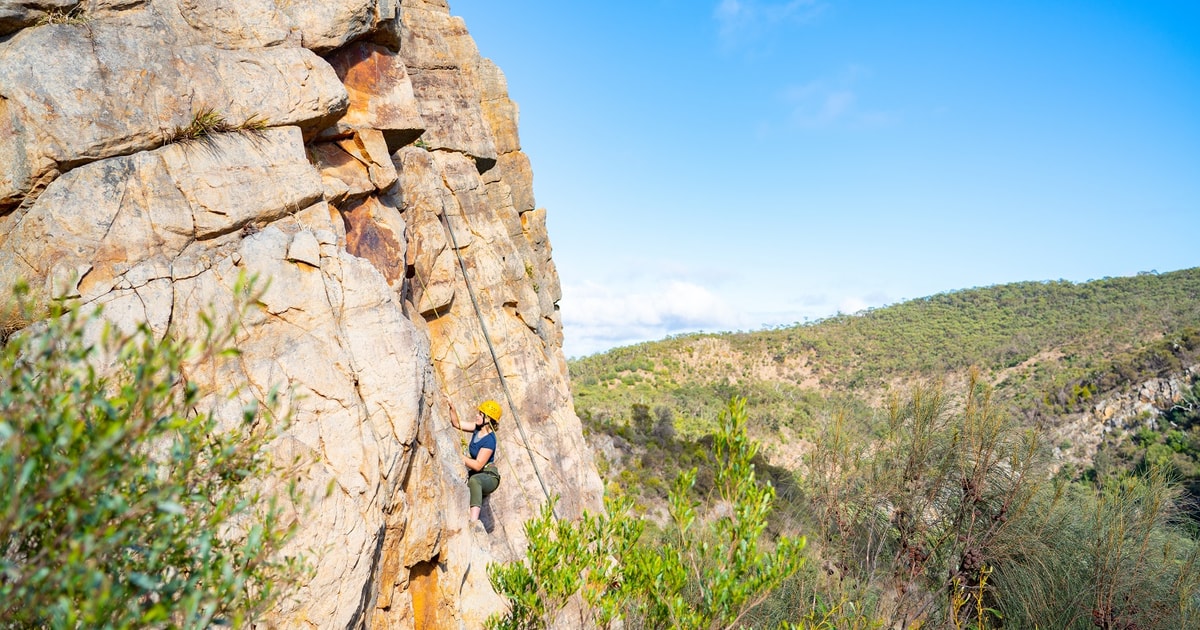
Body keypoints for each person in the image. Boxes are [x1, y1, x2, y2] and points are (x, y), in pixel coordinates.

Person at [448, 399, 502, 522]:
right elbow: (457, 424)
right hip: (479, 472)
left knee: (474, 481)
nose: (477, 415)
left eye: (480, 414)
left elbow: (478, 465)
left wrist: (461, 457)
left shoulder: (490, 440)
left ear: (487, 419)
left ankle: (474, 521)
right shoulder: (477, 428)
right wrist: (452, 407)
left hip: (489, 476)